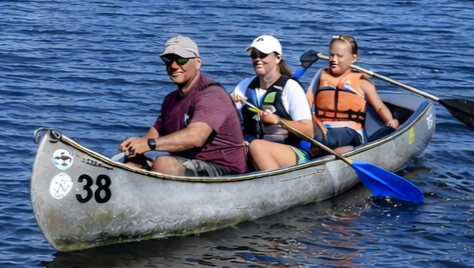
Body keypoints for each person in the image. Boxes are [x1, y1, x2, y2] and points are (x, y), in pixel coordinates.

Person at [119, 36, 248, 176]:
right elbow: (155, 133)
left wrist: (149, 144)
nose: (174, 66)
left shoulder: (212, 95)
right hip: (187, 163)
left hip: (225, 170)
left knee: (163, 164)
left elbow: (196, 137)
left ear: (198, 62)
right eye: (169, 60)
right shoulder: (170, 99)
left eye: (181, 60)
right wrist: (137, 143)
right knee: (133, 156)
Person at [231, 35, 313, 171]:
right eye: (254, 54)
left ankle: (277, 187)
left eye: (263, 54)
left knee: (257, 146)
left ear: (278, 58)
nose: (257, 59)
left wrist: (278, 121)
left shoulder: (290, 87)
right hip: (251, 146)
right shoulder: (244, 86)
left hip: (291, 152)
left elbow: (308, 130)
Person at [307, 34, 398, 150]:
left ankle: (320, 143)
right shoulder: (320, 76)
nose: (334, 59)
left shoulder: (362, 82)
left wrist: (391, 121)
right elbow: (306, 104)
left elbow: (379, 107)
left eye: (339, 56)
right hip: (322, 130)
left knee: (332, 144)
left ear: (353, 58)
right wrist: (314, 121)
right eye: (331, 55)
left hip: (351, 133)